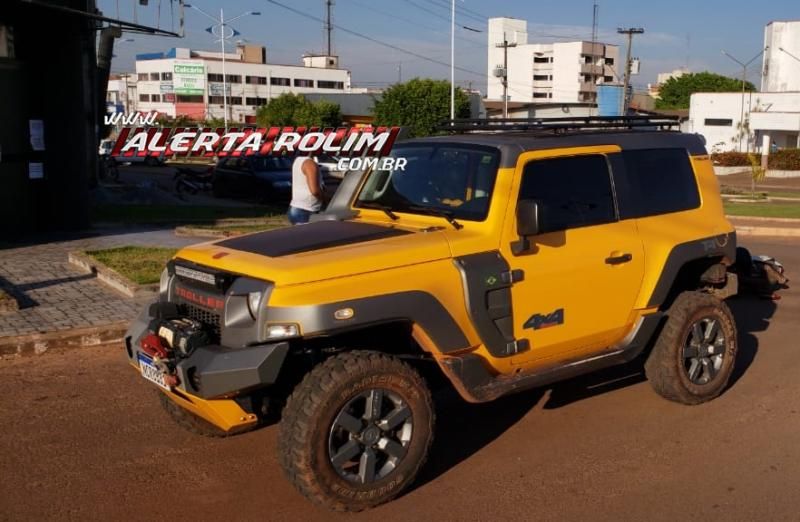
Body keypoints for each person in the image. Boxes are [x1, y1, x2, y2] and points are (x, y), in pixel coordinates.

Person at [288, 156, 324, 224]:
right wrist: (327, 199)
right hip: (305, 210)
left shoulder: (298, 160)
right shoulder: (309, 163)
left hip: (297, 207)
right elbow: (315, 191)